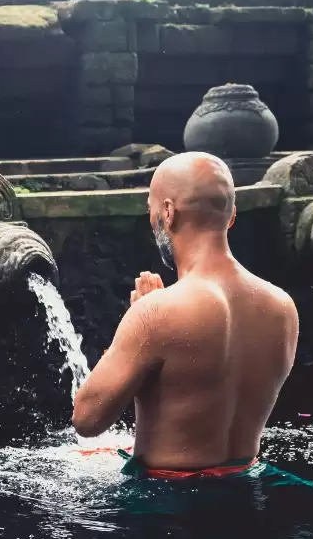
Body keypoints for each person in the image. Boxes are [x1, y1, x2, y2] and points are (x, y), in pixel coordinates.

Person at [71, 152, 300, 480]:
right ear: (231, 216)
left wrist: (138, 321)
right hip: (251, 487)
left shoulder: (155, 313)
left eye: (151, 209)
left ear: (168, 211)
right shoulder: (282, 307)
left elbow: (87, 420)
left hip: (169, 505)